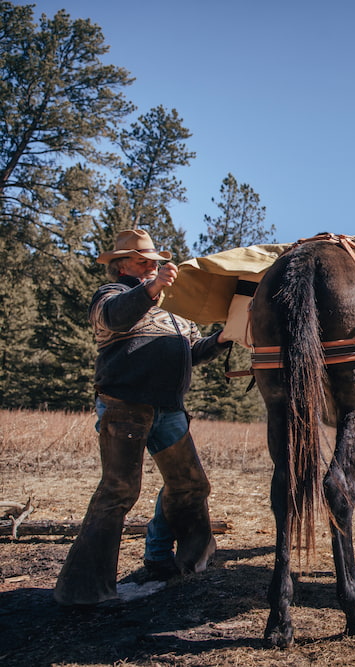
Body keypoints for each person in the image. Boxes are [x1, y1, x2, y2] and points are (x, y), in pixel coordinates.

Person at [53, 229, 231, 607]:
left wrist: (223, 338)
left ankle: (184, 563)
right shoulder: (111, 295)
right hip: (125, 406)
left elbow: (192, 353)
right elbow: (115, 319)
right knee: (119, 490)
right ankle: (83, 589)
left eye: (154, 260)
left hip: (169, 408)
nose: (152, 265)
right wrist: (152, 289)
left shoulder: (174, 306)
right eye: (142, 261)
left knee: (190, 485)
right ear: (121, 266)